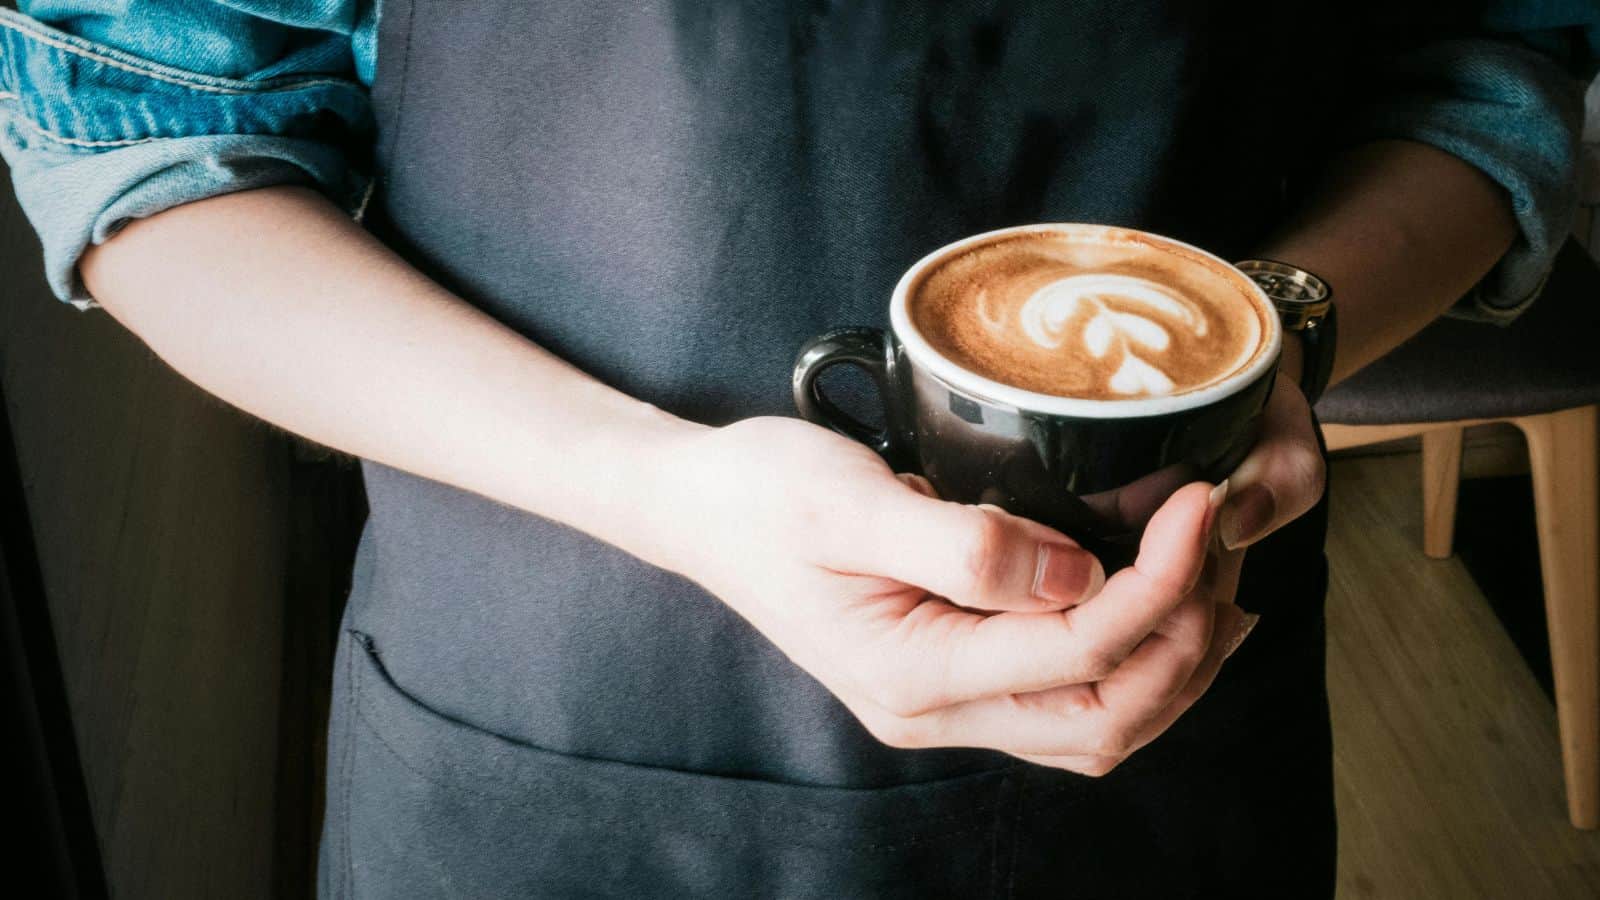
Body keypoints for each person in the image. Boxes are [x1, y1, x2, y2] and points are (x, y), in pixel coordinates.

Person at [1, 1, 1591, 896]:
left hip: (1162, 727)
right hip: (542, 727)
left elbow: (1495, 53)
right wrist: (667, 493)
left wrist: (1279, 336)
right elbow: (144, 133)